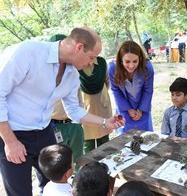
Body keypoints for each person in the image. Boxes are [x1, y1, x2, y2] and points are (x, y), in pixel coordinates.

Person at [0, 27, 125, 196]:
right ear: (79, 47)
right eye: (91, 57)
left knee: (55, 188)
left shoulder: (72, 74)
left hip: (45, 132)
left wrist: (104, 121)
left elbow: (73, 110)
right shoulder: (28, 52)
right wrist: (10, 141)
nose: (92, 62)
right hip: (13, 134)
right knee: (20, 192)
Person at [50, 34, 84, 170]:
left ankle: (78, 186)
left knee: (79, 160)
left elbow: (78, 97)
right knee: (60, 164)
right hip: (55, 126)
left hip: (74, 124)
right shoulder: (45, 73)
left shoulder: (72, 72)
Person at [108, 40, 154, 133]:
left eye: (135, 61)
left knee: (145, 136)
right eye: (127, 61)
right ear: (121, 60)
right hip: (124, 107)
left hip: (142, 107)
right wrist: (128, 109)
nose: (131, 66)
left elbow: (148, 91)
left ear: (140, 59)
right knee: (125, 136)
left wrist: (141, 110)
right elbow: (115, 91)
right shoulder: (113, 69)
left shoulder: (147, 69)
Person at [79, 56, 113, 153]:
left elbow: (107, 82)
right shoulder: (75, 65)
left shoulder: (101, 62)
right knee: (88, 145)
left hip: (102, 107)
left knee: (104, 143)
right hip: (85, 110)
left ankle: (105, 165)